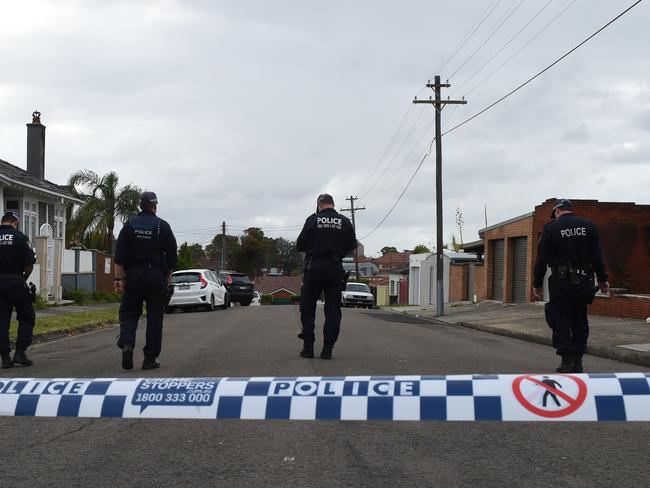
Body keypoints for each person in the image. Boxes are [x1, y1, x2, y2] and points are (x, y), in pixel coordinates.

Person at [533, 199, 609, 373]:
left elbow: (541, 261)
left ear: (557, 211)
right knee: (580, 319)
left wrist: (537, 284)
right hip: (583, 282)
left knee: (560, 319)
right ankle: (579, 360)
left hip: (561, 283)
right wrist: (603, 280)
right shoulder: (589, 226)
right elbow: (597, 257)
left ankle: (566, 360)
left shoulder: (550, 229)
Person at [114, 192, 177, 370]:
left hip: (133, 275)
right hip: (156, 276)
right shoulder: (163, 226)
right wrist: (168, 276)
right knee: (155, 318)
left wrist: (118, 278)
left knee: (129, 312)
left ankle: (127, 343)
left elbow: (120, 255)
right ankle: (150, 358)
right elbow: (172, 257)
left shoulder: (129, 225)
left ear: (140, 206)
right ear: (155, 206)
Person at [296, 193, 357, 359]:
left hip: (314, 266)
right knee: (332, 310)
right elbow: (352, 246)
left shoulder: (312, 220)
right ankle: (327, 349)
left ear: (319, 205)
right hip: (334, 267)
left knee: (307, 307)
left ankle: (308, 347)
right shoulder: (344, 221)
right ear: (332, 204)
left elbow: (299, 245)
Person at [0, 211, 37, 369]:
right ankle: (20, 352)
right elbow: (29, 263)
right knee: (27, 316)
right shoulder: (21, 237)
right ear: (15, 222)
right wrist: (24, 278)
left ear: (2, 222)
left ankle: (5, 358)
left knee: (1, 320)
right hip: (16, 280)